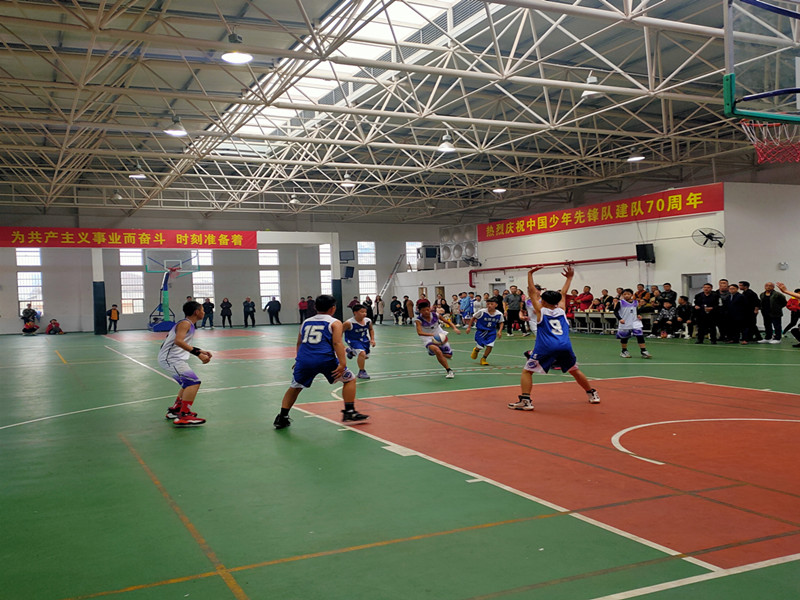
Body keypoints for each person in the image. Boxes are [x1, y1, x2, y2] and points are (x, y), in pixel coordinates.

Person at [509, 265, 600, 411]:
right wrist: (569, 278)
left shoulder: (541, 311)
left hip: (546, 346)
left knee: (527, 371)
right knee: (574, 370)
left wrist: (530, 273)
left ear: (543, 301)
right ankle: (592, 394)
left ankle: (525, 400)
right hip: (565, 345)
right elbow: (563, 293)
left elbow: (532, 292)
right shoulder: (562, 310)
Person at [273, 294, 368, 429]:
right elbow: (337, 343)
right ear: (333, 308)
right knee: (350, 379)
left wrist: (298, 359)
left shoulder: (306, 322)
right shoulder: (335, 322)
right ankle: (349, 411)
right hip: (325, 359)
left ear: (315, 307)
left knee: (295, 387)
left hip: (305, 360)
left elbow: (299, 342)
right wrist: (342, 363)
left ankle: (282, 417)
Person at [159, 301, 212, 426]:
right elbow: (178, 341)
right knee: (193, 383)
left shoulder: (187, 324)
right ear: (196, 312)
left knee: (187, 383)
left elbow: (181, 342)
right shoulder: (185, 324)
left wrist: (200, 350)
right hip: (170, 359)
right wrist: (198, 354)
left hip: (173, 358)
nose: (204, 312)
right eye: (202, 310)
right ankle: (184, 415)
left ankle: (176, 410)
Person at [415, 300, 461, 378]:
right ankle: (449, 370)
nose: (426, 312)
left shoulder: (436, 315)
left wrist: (454, 328)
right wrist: (432, 335)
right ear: (420, 311)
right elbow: (420, 332)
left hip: (440, 336)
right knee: (437, 350)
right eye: (423, 310)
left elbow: (447, 322)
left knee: (449, 356)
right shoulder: (418, 320)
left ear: (429, 309)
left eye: (427, 309)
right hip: (428, 338)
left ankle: (435, 353)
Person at [466, 296, 504, 365]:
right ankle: (476, 349)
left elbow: (501, 322)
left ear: (496, 305)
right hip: (481, 331)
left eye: (491, 304)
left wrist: (500, 331)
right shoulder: (482, 312)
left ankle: (483, 359)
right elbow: (473, 318)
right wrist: (469, 327)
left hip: (491, 332)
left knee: (490, 345)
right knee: (480, 346)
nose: (489, 305)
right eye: (488, 304)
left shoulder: (499, 314)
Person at [615, 289, 653, 358]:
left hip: (635, 322)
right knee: (624, 337)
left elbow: (636, 310)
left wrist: (638, 315)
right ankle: (624, 351)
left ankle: (643, 351)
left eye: (628, 294)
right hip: (625, 322)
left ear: (631, 295)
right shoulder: (620, 302)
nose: (626, 295)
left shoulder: (635, 302)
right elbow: (615, 312)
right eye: (624, 294)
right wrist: (620, 319)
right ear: (622, 295)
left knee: (640, 336)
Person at [343, 303, 376, 379]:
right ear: (355, 312)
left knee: (365, 357)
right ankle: (361, 372)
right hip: (353, 340)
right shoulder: (349, 323)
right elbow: (340, 331)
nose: (364, 314)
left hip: (364, 340)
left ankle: (351, 352)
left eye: (365, 312)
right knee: (362, 353)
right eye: (362, 312)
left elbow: (371, 329)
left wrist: (372, 339)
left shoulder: (368, 321)